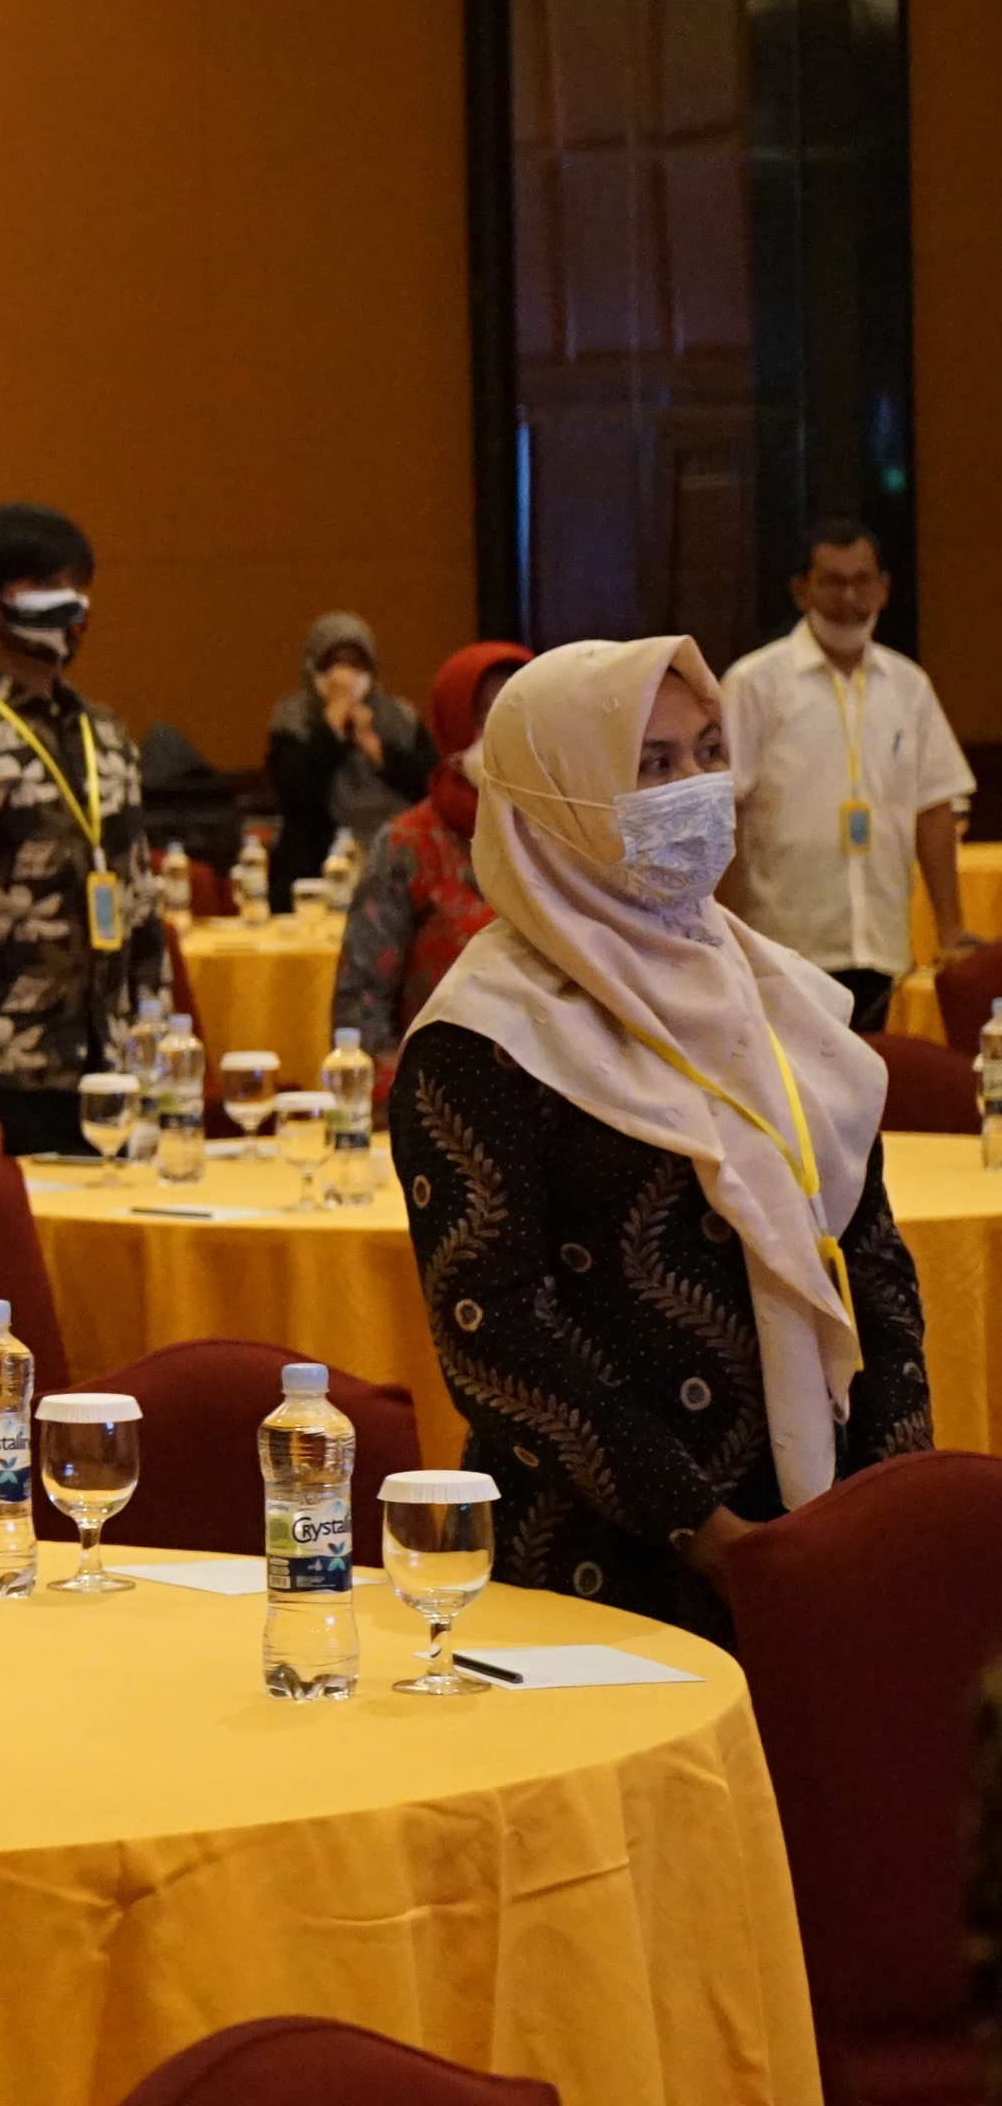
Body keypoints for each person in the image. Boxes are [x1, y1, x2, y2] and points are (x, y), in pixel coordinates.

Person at [392, 635, 932, 1640]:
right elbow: (497, 1335)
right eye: (652, 764)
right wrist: (717, 1537)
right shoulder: (485, 1038)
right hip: (606, 1569)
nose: (696, 787)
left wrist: (884, 1505)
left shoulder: (776, 997)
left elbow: (873, 1260)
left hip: (820, 1535)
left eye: (709, 749)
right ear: (554, 793)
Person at [0, 503, 168, 1156]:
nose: (69, 605)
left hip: (112, 1073)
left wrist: (155, 1063)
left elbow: (139, 907)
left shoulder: (106, 734)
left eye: (76, 586)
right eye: (46, 587)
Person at [718, 519, 979, 1031]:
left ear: (883, 590)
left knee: (870, 1095)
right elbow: (723, 810)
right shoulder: (754, 683)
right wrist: (726, 935)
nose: (849, 597)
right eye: (832, 581)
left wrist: (951, 930)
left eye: (862, 581)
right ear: (801, 591)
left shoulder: (910, 686)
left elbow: (934, 807)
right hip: (782, 949)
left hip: (878, 943)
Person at [331, 641, 529, 1090]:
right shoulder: (409, 844)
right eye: (483, 717)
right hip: (439, 1104)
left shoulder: (566, 837)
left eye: (515, 715)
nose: (500, 733)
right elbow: (360, 1011)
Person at [262, 613, 435, 908]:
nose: (346, 675)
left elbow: (428, 786)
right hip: (316, 867)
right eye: (334, 663)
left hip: (396, 860)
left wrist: (375, 747)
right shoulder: (291, 719)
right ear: (313, 667)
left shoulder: (399, 718)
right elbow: (297, 792)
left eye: (356, 664)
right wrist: (332, 725)